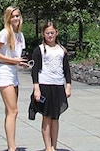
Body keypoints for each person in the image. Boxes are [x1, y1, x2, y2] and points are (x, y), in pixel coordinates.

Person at [0, 6, 29, 151]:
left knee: (10, 111)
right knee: (14, 111)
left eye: (17, 16)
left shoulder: (19, 35)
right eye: (13, 16)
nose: (16, 19)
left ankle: (11, 145)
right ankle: (12, 148)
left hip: (14, 73)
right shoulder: (4, 33)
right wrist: (12, 61)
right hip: (4, 72)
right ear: (8, 18)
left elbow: (16, 56)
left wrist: (20, 62)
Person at [29, 22, 72, 151]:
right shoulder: (39, 50)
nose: (50, 35)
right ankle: (48, 147)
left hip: (58, 86)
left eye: (52, 32)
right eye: (47, 33)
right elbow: (34, 70)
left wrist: (68, 85)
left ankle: (54, 145)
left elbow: (66, 69)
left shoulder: (61, 50)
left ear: (56, 33)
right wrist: (36, 88)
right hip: (44, 85)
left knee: (55, 117)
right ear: (44, 34)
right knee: (46, 117)